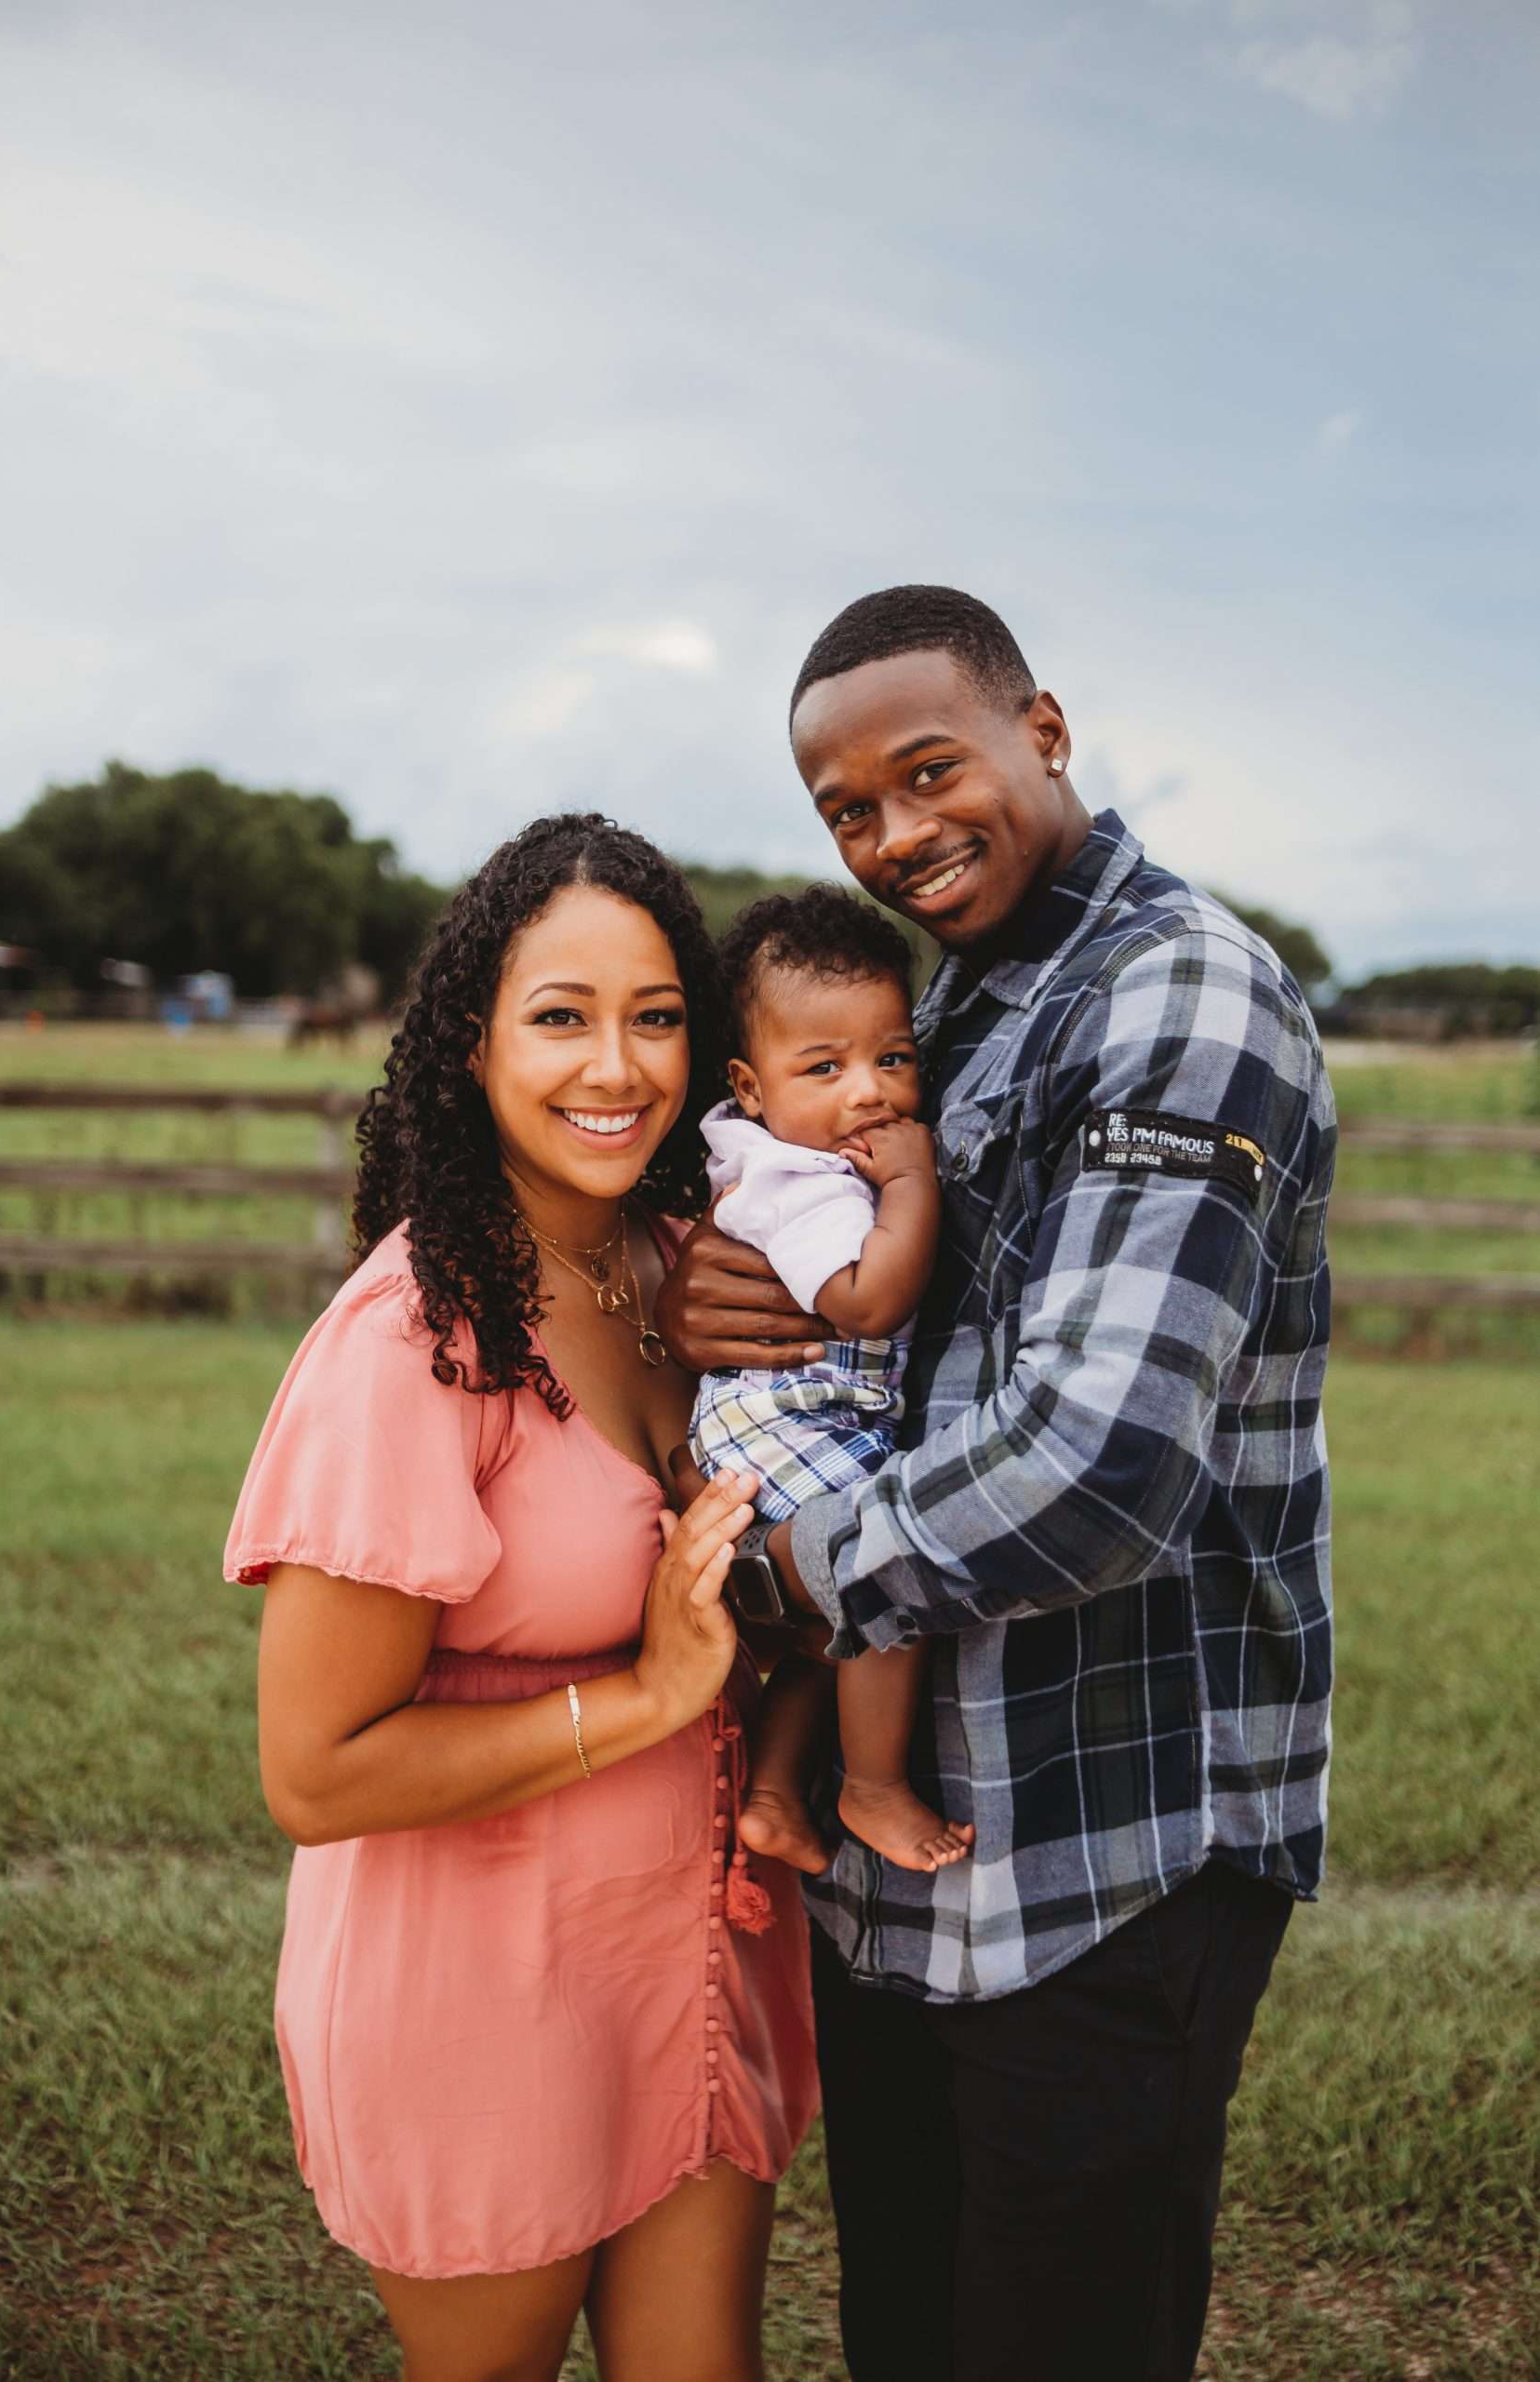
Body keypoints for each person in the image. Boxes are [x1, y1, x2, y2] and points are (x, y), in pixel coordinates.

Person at [658, 587, 1336, 2382]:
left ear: (1043, 727)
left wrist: (769, 1583)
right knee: (913, 2333)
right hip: (912, 1860)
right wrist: (715, 1290)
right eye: (846, 811)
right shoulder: (943, 1011)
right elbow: (871, 1292)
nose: (894, 832)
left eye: (927, 768)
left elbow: (1095, 1468)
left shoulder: (1178, 996)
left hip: (1102, 1845)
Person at [224, 813, 818, 2382]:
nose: (614, 1066)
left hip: (688, 1955)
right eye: (560, 1017)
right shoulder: (415, 1341)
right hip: (481, 1995)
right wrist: (644, 1696)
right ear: (471, 1046)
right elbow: (315, 1769)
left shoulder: (690, 1276)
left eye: (657, 1016)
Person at [689, 886, 974, 1876]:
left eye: (892, 1057)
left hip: (793, 1420)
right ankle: (873, 1785)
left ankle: (771, 1796)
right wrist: (910, 1183)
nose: (870, 1092)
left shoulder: (800, 1150)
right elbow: (865, 1302)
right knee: (889, 1575)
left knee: (826, 1634)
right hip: (786, 1421)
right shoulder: (797, 1179)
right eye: (825, 1066)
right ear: (751, 1085)